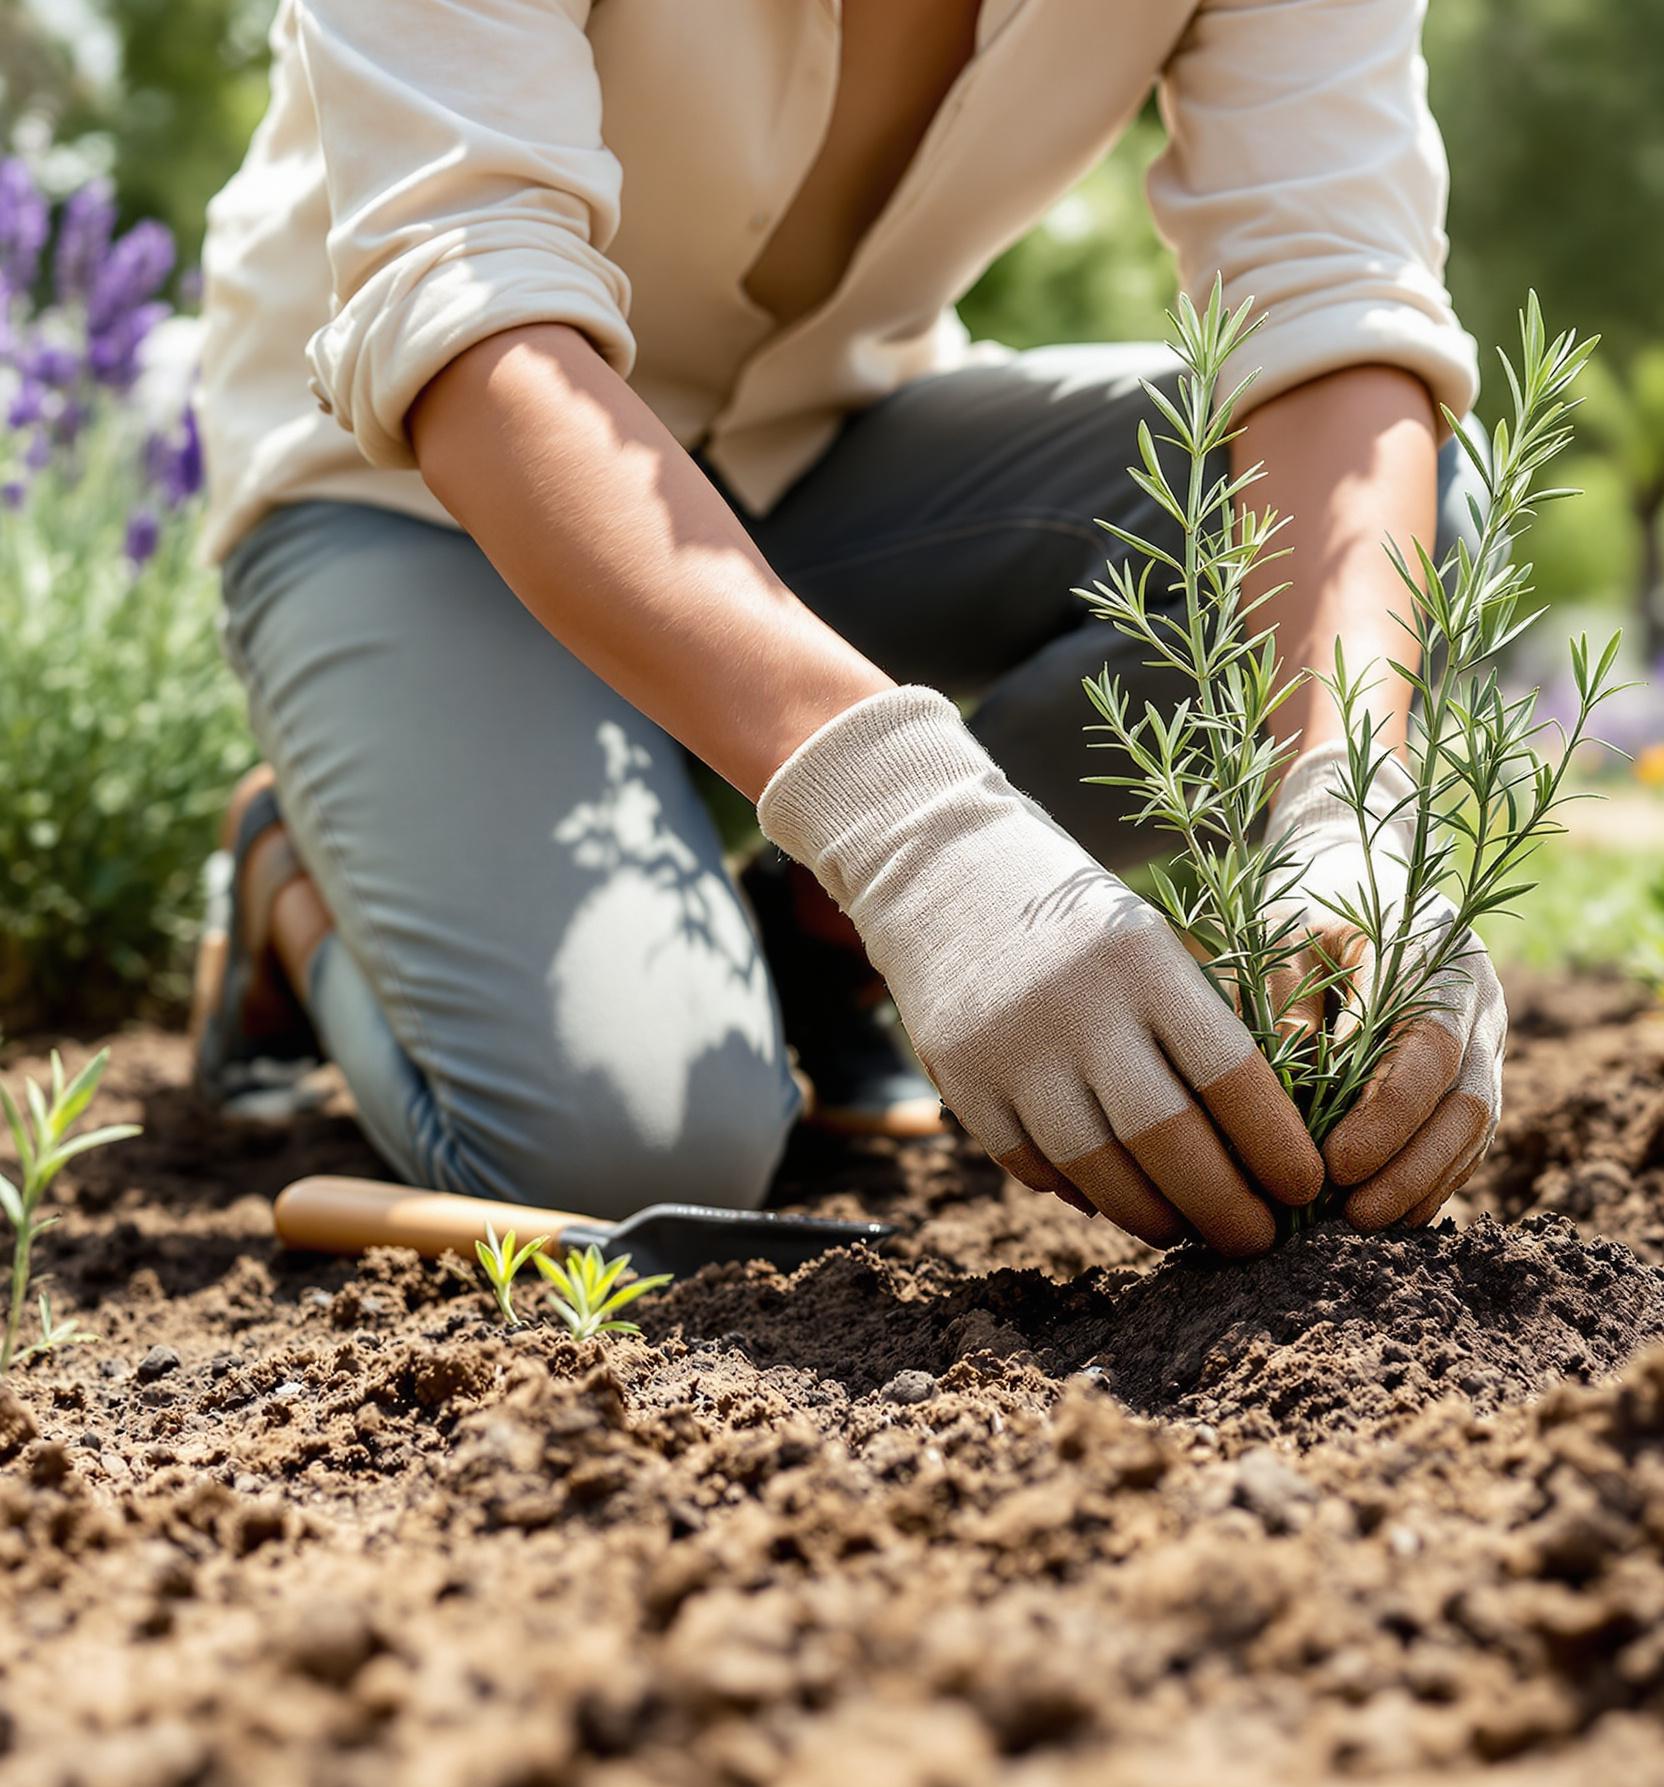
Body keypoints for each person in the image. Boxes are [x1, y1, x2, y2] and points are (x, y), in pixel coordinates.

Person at [188, 0, 1506, 1255]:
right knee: (633, 1153)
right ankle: (294, 891)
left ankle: (816, 948)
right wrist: (912, 829)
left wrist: (1346, 800)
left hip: (819, 444)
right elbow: (467, 308)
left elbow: (1333, 298)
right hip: (415, 488)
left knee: (1388, 512)